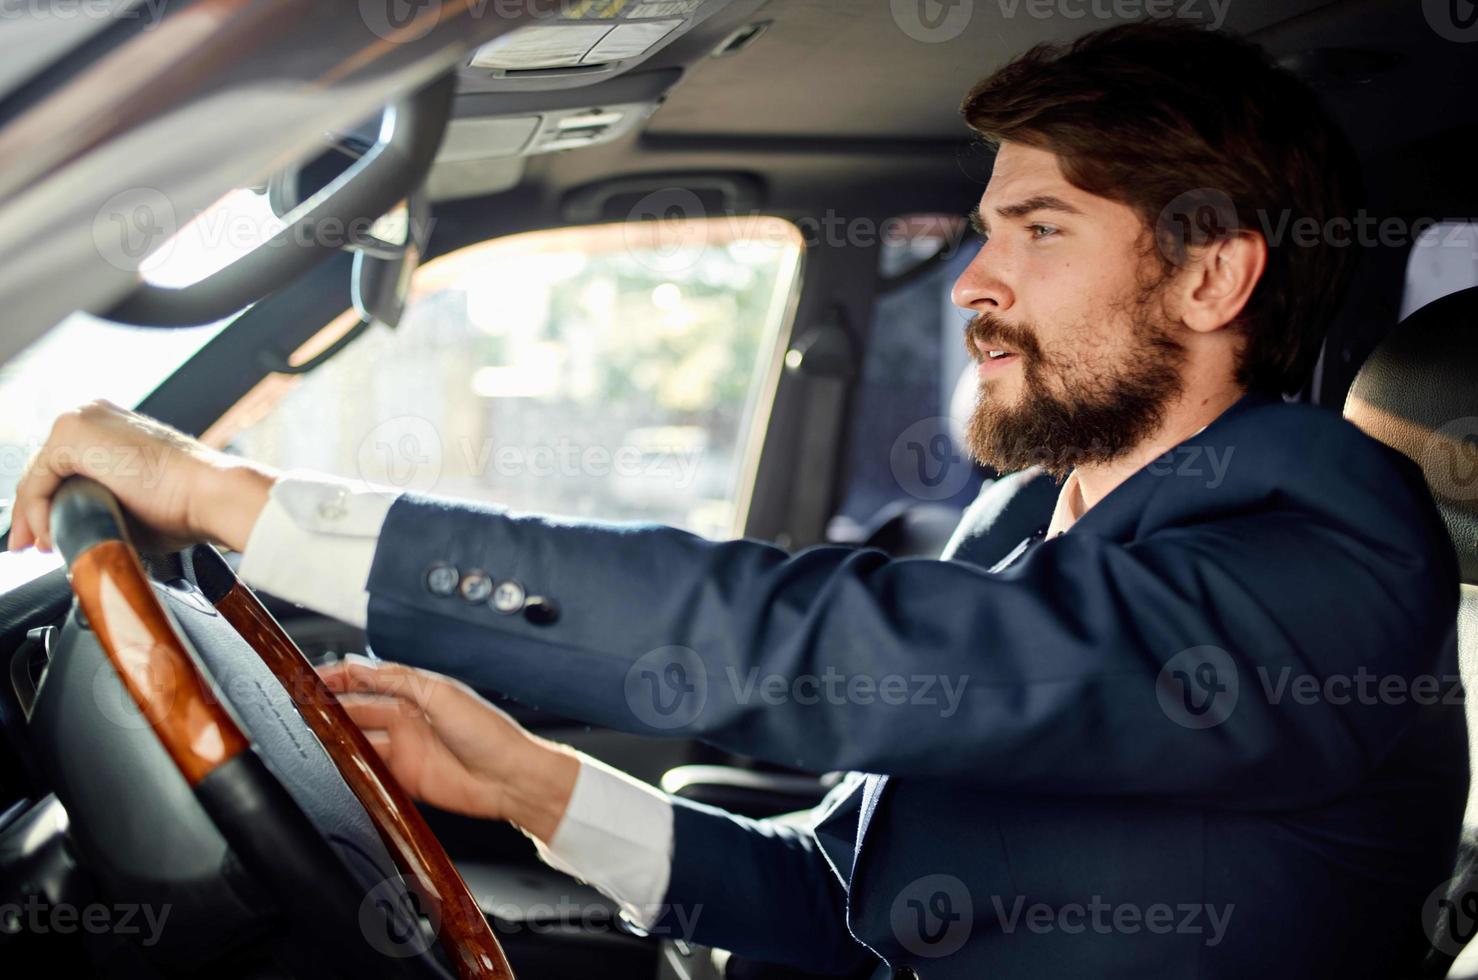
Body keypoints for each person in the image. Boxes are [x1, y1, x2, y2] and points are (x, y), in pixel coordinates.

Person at [7, 20, 1465, 979]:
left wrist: (226, 496)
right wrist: (532, 783)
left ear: (1211, 276)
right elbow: (842, 904)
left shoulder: (1324, 555)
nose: (974, 278)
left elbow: (821, 640)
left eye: (1039, 228)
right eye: (981, 228)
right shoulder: (1028, 525)